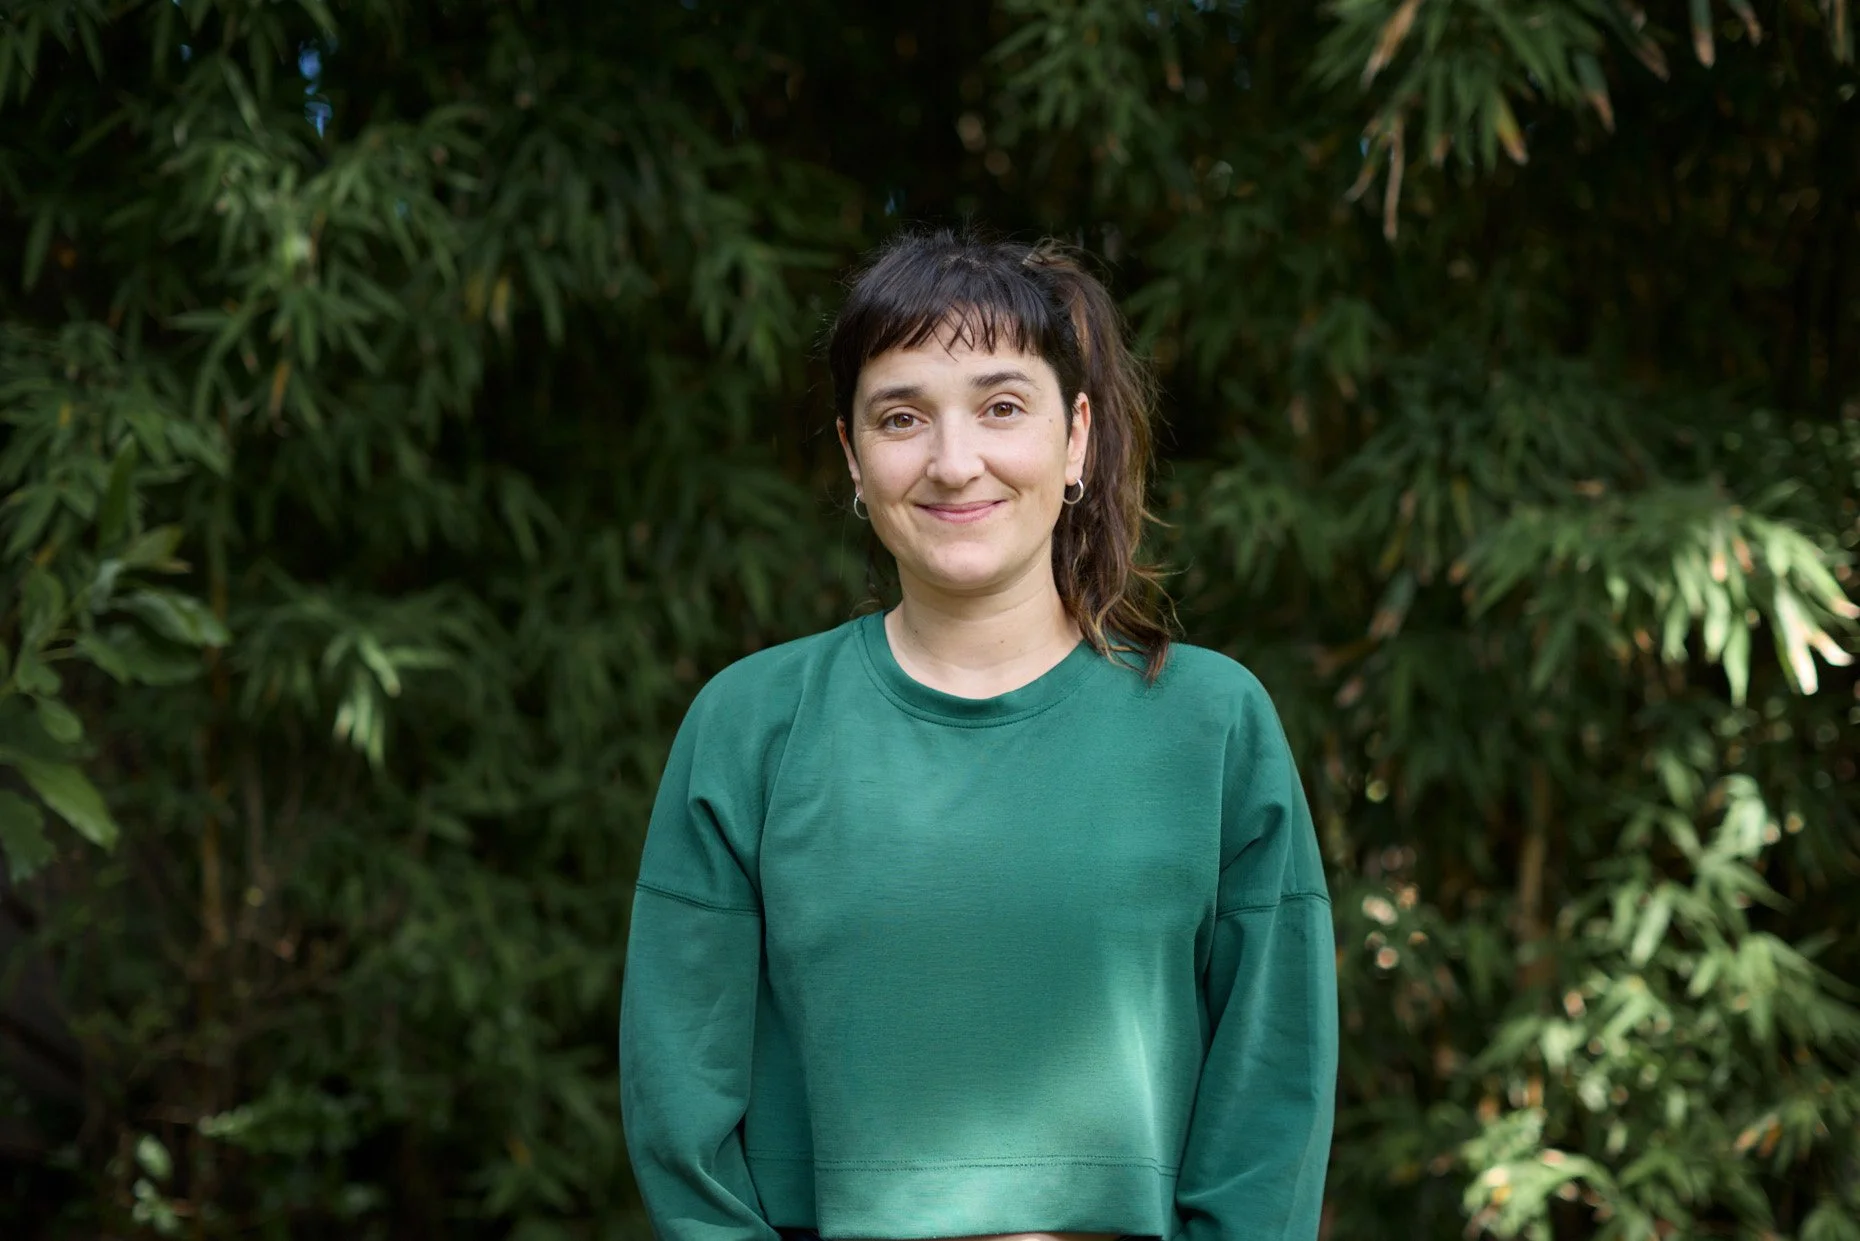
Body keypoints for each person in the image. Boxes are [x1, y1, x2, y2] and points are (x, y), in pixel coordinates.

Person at [618, 229, 1338, 1241]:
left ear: (1076, 436)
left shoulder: (1210, 725)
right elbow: (679, 1113)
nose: (955, 463)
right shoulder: (749, 728)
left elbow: (1275, 1094)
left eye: (1002, 407)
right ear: (852, 456)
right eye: (902, 416)